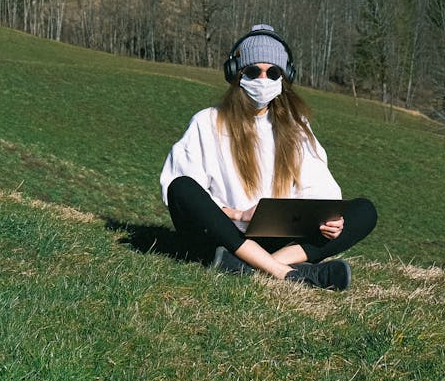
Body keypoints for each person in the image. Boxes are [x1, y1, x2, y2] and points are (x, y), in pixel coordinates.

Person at [160, 24, 377, 291]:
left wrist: (330, 220)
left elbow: (321, 188)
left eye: (272, 72)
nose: (263, 80)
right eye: (254, 71)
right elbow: (182, 191)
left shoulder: (296, 127)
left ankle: (248, 266)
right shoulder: (207, 122)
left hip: (277, 237)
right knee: (181, 187)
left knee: (364, 211)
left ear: (284, 78)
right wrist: (239, 214)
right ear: (236, 74)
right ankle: (285, 273)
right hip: (223, 234)